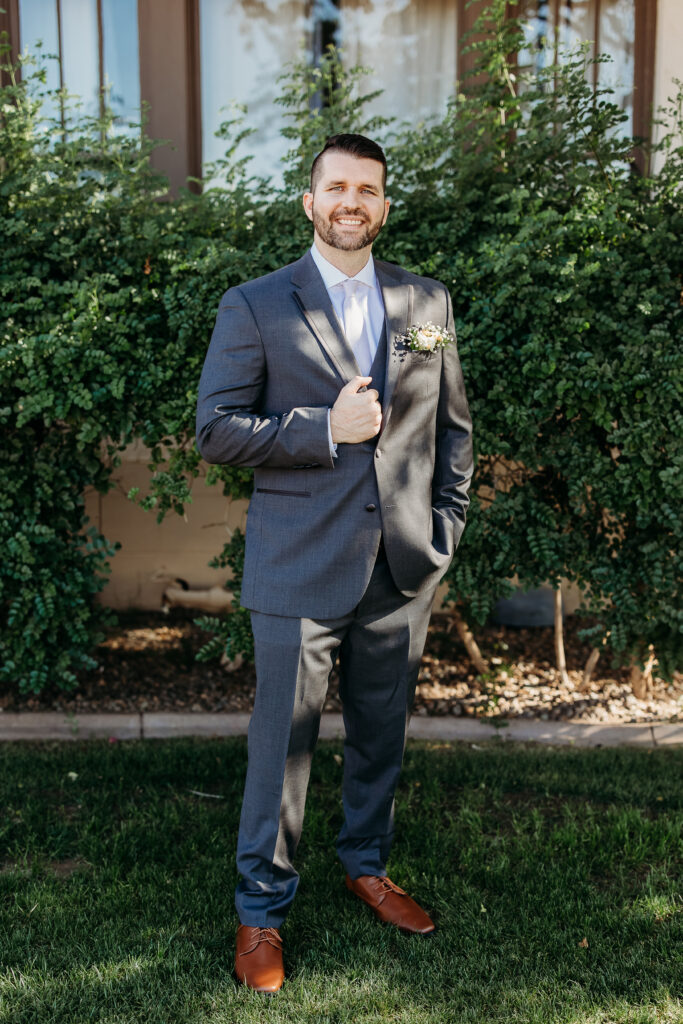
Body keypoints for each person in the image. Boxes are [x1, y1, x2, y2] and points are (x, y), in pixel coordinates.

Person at [196, 133, 473, 993]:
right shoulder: (255, 304)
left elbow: (452, 431)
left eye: (369, 189)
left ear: (383, 206)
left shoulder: (427, 302)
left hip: (400, 567)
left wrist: (443, 533)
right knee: (282, 748)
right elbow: (215, 430)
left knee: (380, 737)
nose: (352, 201)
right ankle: (260, 912)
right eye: (337, 187)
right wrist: (322, 430)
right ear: (311, 202)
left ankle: (366, 865)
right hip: (297, 568)